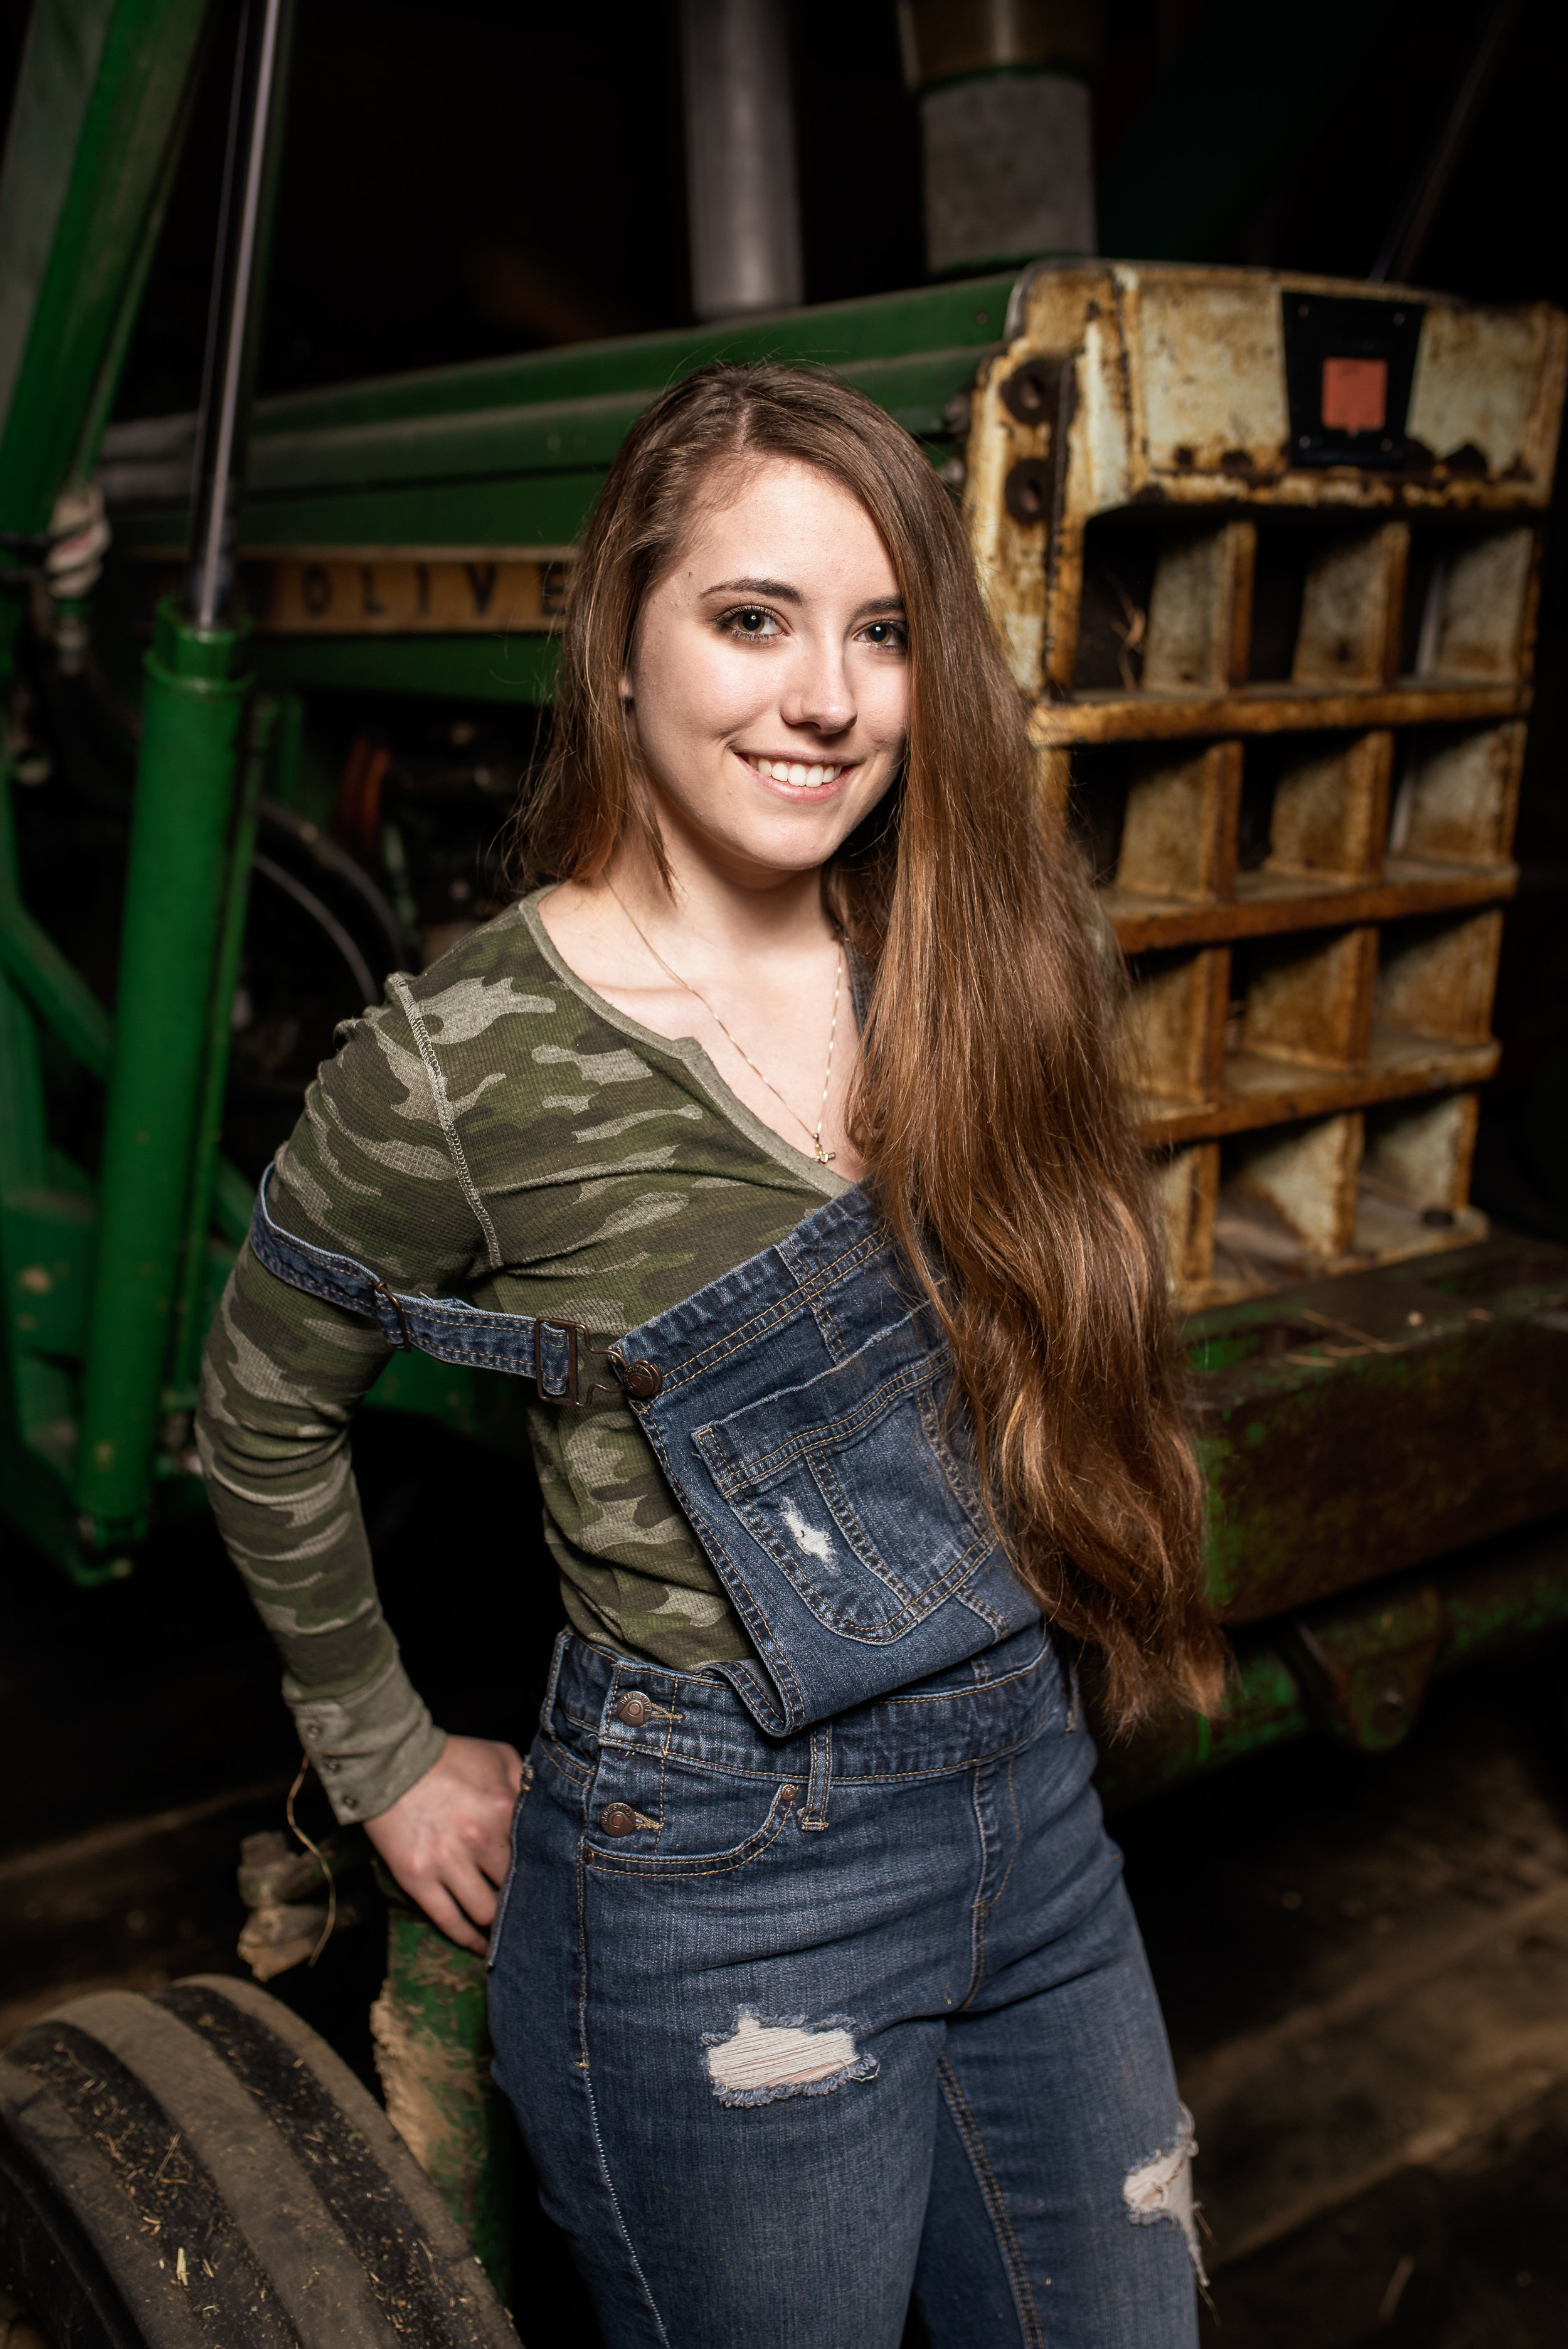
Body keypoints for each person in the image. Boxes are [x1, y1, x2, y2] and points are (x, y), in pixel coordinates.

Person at [199, 361, 1226, 2348]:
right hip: (721, 1872)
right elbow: (258, 1408)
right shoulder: (458, 1061)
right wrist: (384, 1753)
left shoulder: (978, 949)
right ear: (621, 646)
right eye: (751, 619)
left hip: (1032, 1801)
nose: (825, 698)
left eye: (881, 634)